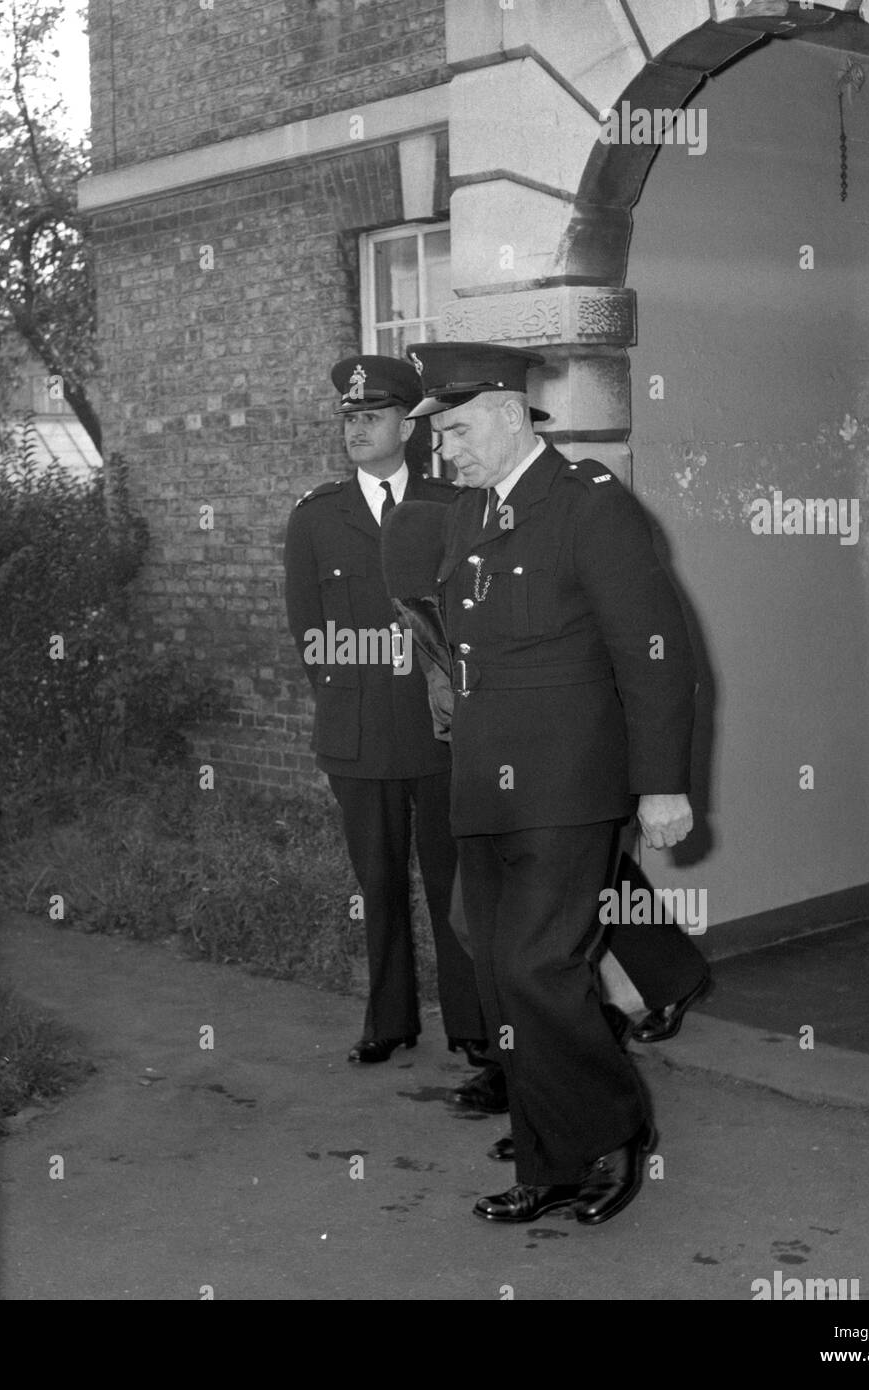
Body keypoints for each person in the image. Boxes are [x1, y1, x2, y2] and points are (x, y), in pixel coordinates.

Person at [403, 339, 700, 1225]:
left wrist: (660, 785)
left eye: (451, 430)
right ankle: (548, 1152)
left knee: (538, 964)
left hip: (569, 785)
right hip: (485, 782)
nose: (440, 451)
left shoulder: (589, 507)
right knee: (496, 965)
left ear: (503, 413)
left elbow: (655, 655)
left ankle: (611, 1134)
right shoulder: (470, 513)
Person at [380, 498, 712, 1166]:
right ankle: (551, 1083)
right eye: (410, 603)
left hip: (575, 770)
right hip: (501, 779)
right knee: (524, 926)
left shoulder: (541, 550)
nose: (419, 610)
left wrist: (649, 782)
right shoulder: (428, 591)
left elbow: (641, 665)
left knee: (533, 939)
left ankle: (567, 1088)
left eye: (425, 597)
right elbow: (443, 678)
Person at [282, 354, 504, 1114]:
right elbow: (307, 632)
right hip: (359, 735)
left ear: (404, 427)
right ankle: (389, 1020)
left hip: (441, 733)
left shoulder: (453, 505)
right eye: (348, 418)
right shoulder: (316, 515)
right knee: (377, 884)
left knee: (453, 885)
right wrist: (346, 703)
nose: (356, 429)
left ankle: (473, 1027)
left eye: (371, 417)